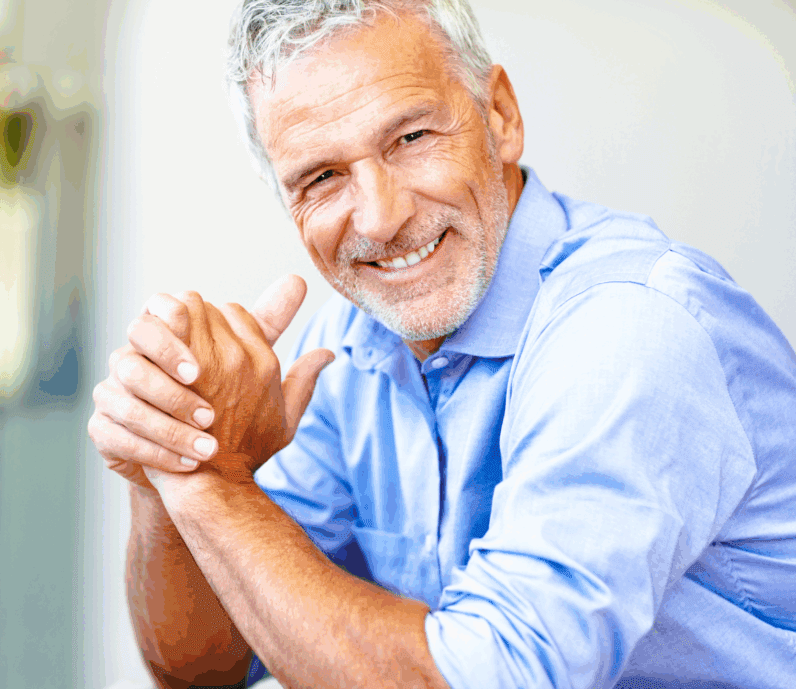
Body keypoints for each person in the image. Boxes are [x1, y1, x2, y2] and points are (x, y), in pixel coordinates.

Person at [88, 1, 796, 687]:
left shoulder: (631, 329)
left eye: (411, 138)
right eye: (322, 177)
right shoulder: (347, 345)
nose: (381, 215)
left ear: (501, 117)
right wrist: (174, 455)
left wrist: (217, 488)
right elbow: (206, 667)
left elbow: (493, 678)